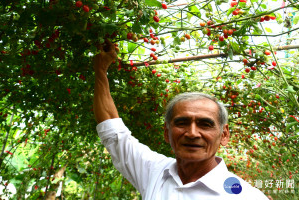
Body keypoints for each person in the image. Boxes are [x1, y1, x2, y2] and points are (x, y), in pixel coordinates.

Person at [94, 40, 269, 200]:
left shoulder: (246, 196)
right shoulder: (154, 171)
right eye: (181, 123)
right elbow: (113, 131)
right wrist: (101, 70)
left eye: (205, 124)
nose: (192, 133)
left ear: (224, 135)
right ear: (166, 133)